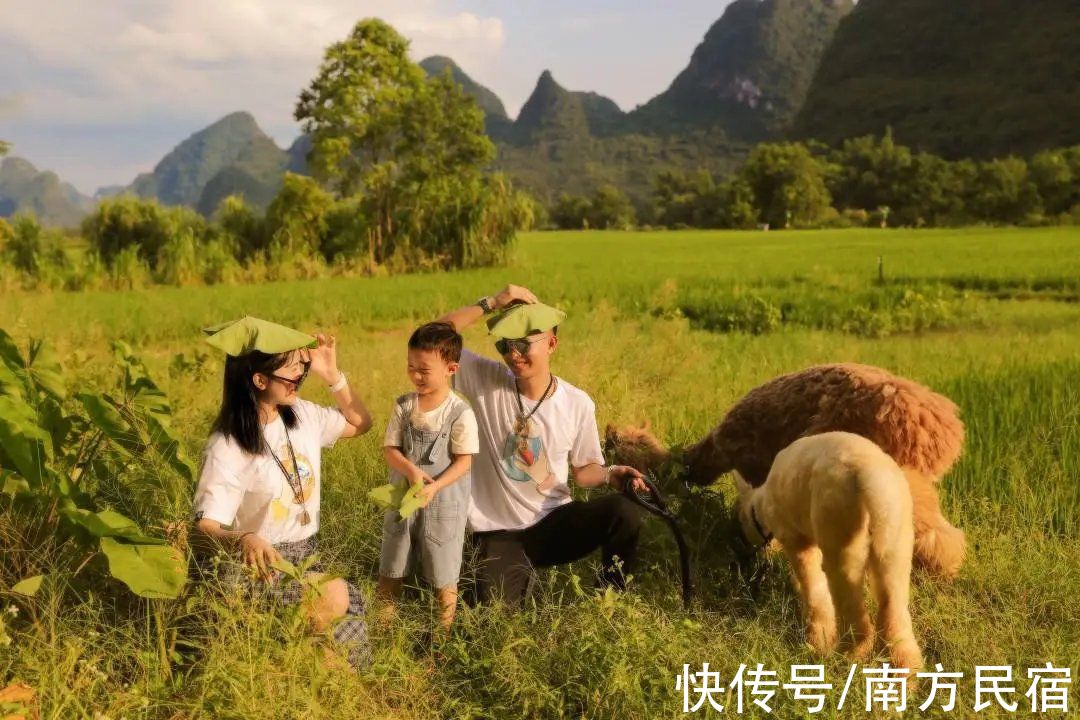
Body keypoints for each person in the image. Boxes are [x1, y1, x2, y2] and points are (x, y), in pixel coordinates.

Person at [437, 286, 648, 605]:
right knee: (493, 625)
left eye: (523, 344)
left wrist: (611, 474)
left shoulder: (577, 403)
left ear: (552, 344)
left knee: (625, 512)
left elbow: (584, 471)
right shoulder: (485, 380)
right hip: (499, 533)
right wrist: (492, 302)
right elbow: (431, 340)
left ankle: (609, 601)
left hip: (554, 523)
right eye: (504, 345)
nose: (513, 354)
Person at [191, 316, 373, 668]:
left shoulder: (301, 414)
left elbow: (360, 423)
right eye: (294, 375)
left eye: (303, 372)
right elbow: (203, 528)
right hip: (257, 565)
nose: (300, 381)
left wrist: (333, 376)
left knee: (333, 618)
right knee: (338, 595)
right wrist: (245, 538)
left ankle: (329, 689)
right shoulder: (228, 446)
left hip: (306, 553)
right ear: (260, 380)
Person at [376, 322, 479, 628]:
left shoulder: (460, 412)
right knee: (391, 569)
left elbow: (464, 462)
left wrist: (435, 487)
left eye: (424, 369)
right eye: (411, 367)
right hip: (403, 500)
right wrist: (411, 471)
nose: (416, 375)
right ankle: (383, 633)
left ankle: (441, 642)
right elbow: (390, 449)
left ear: (451, 368)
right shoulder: (404, 406)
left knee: (443, 577)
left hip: (443, 503)